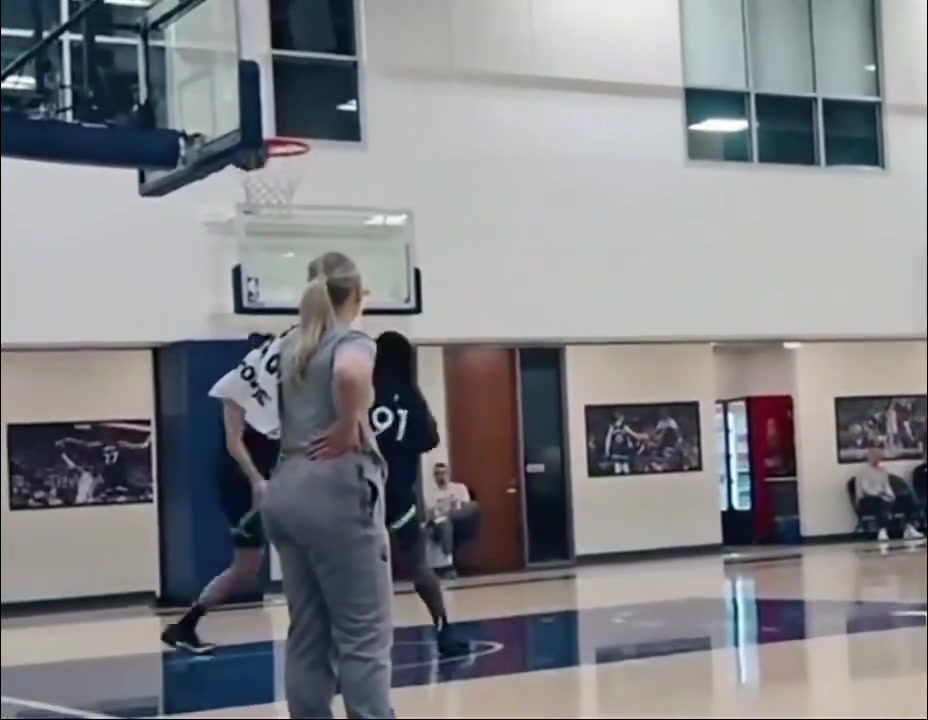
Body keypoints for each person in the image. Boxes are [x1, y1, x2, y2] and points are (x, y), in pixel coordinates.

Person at [260, 251, 394, 719]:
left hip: (286, 487)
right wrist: (346, 422)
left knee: (308, 633)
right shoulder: (351, 339)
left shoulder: (288, 345)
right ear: (355, 295)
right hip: (335, 492)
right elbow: (350, 373)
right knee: (363, 635)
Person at [161, 372, 280, 654]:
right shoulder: (236, 389)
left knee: (246, 568)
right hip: (241, 482)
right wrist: (257, 480)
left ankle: (185, 625)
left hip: (264, 479)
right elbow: (233, 442)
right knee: (247, 565)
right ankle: (185, 625)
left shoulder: (279, 398)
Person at [372, 332, 470, 657]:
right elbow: (430, 439)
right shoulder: (411, 396)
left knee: (358, 568)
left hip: (362, 494)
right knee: (418, 565)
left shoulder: (364, 391)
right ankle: (444, 628)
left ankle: (351, 639)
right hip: (400, 494)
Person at [854, 447, 924, 542]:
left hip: (884, 497)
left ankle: (909, 528)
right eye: (876, 456)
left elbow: (886, 486)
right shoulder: (863, 471)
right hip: (867, 499)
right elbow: (866, 489)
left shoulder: (882, 471)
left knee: (904, 499)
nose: (878, 459)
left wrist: (891, 496)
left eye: (880, 457)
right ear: (869, 457)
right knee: (878, 502)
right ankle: (882, 530)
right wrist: (881, 495)